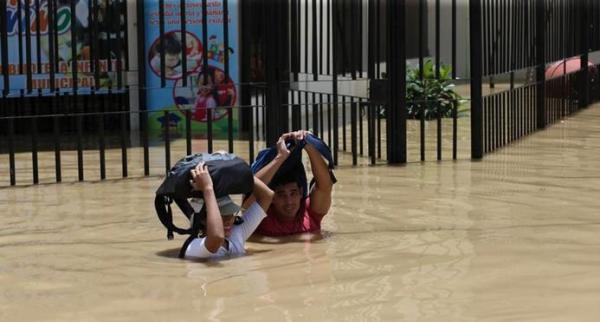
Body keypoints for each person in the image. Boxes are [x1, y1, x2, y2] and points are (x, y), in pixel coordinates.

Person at [181, 162, 273, 259]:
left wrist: (237, 171)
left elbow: (267, 196)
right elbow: (216, 237)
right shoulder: (193, 247)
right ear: (203, 219)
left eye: (231, 213)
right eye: (222, 215)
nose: (229, 220)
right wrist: (207, 189)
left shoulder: (237, 233)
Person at [254, 130, 334, 236]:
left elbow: (325, 186)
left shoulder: (310, 213)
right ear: (272, 197)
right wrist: (281, 157)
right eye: (281, 195)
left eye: (293, 193)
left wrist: (306, 144)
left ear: (301, 192)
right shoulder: (259, 217)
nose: (289, 202)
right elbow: (252, 189)